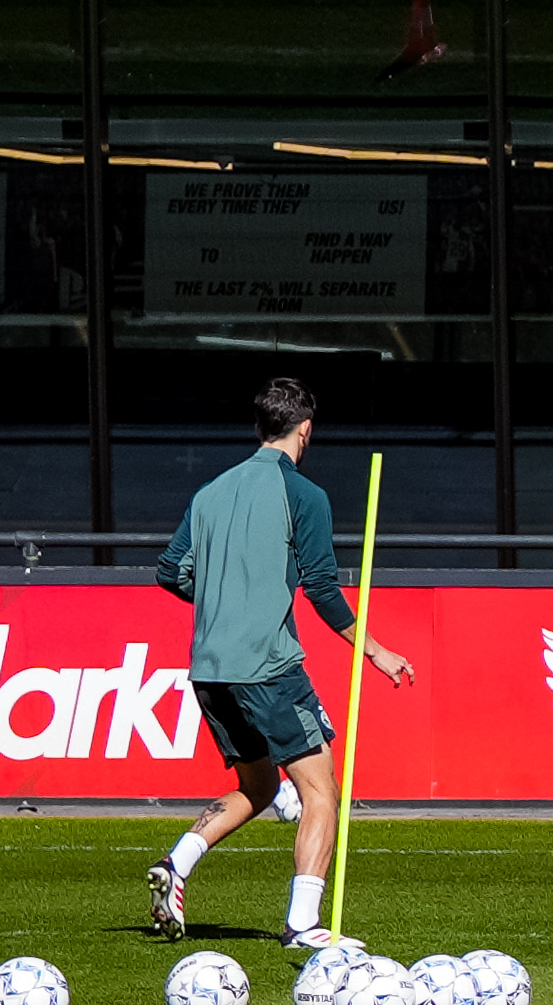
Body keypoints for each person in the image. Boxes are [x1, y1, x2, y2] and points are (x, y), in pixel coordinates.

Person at [142, 376, 415, 945]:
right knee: (322, 792)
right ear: (305, 430)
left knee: (261, 787)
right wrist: (376, 651)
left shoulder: (210, 492)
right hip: (268, 666)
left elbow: (171, 571)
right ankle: (303, 924)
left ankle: (177, 864)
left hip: (210, 670)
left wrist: (223, 594)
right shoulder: (305, 496)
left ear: (259, 428)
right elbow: (320, 587)